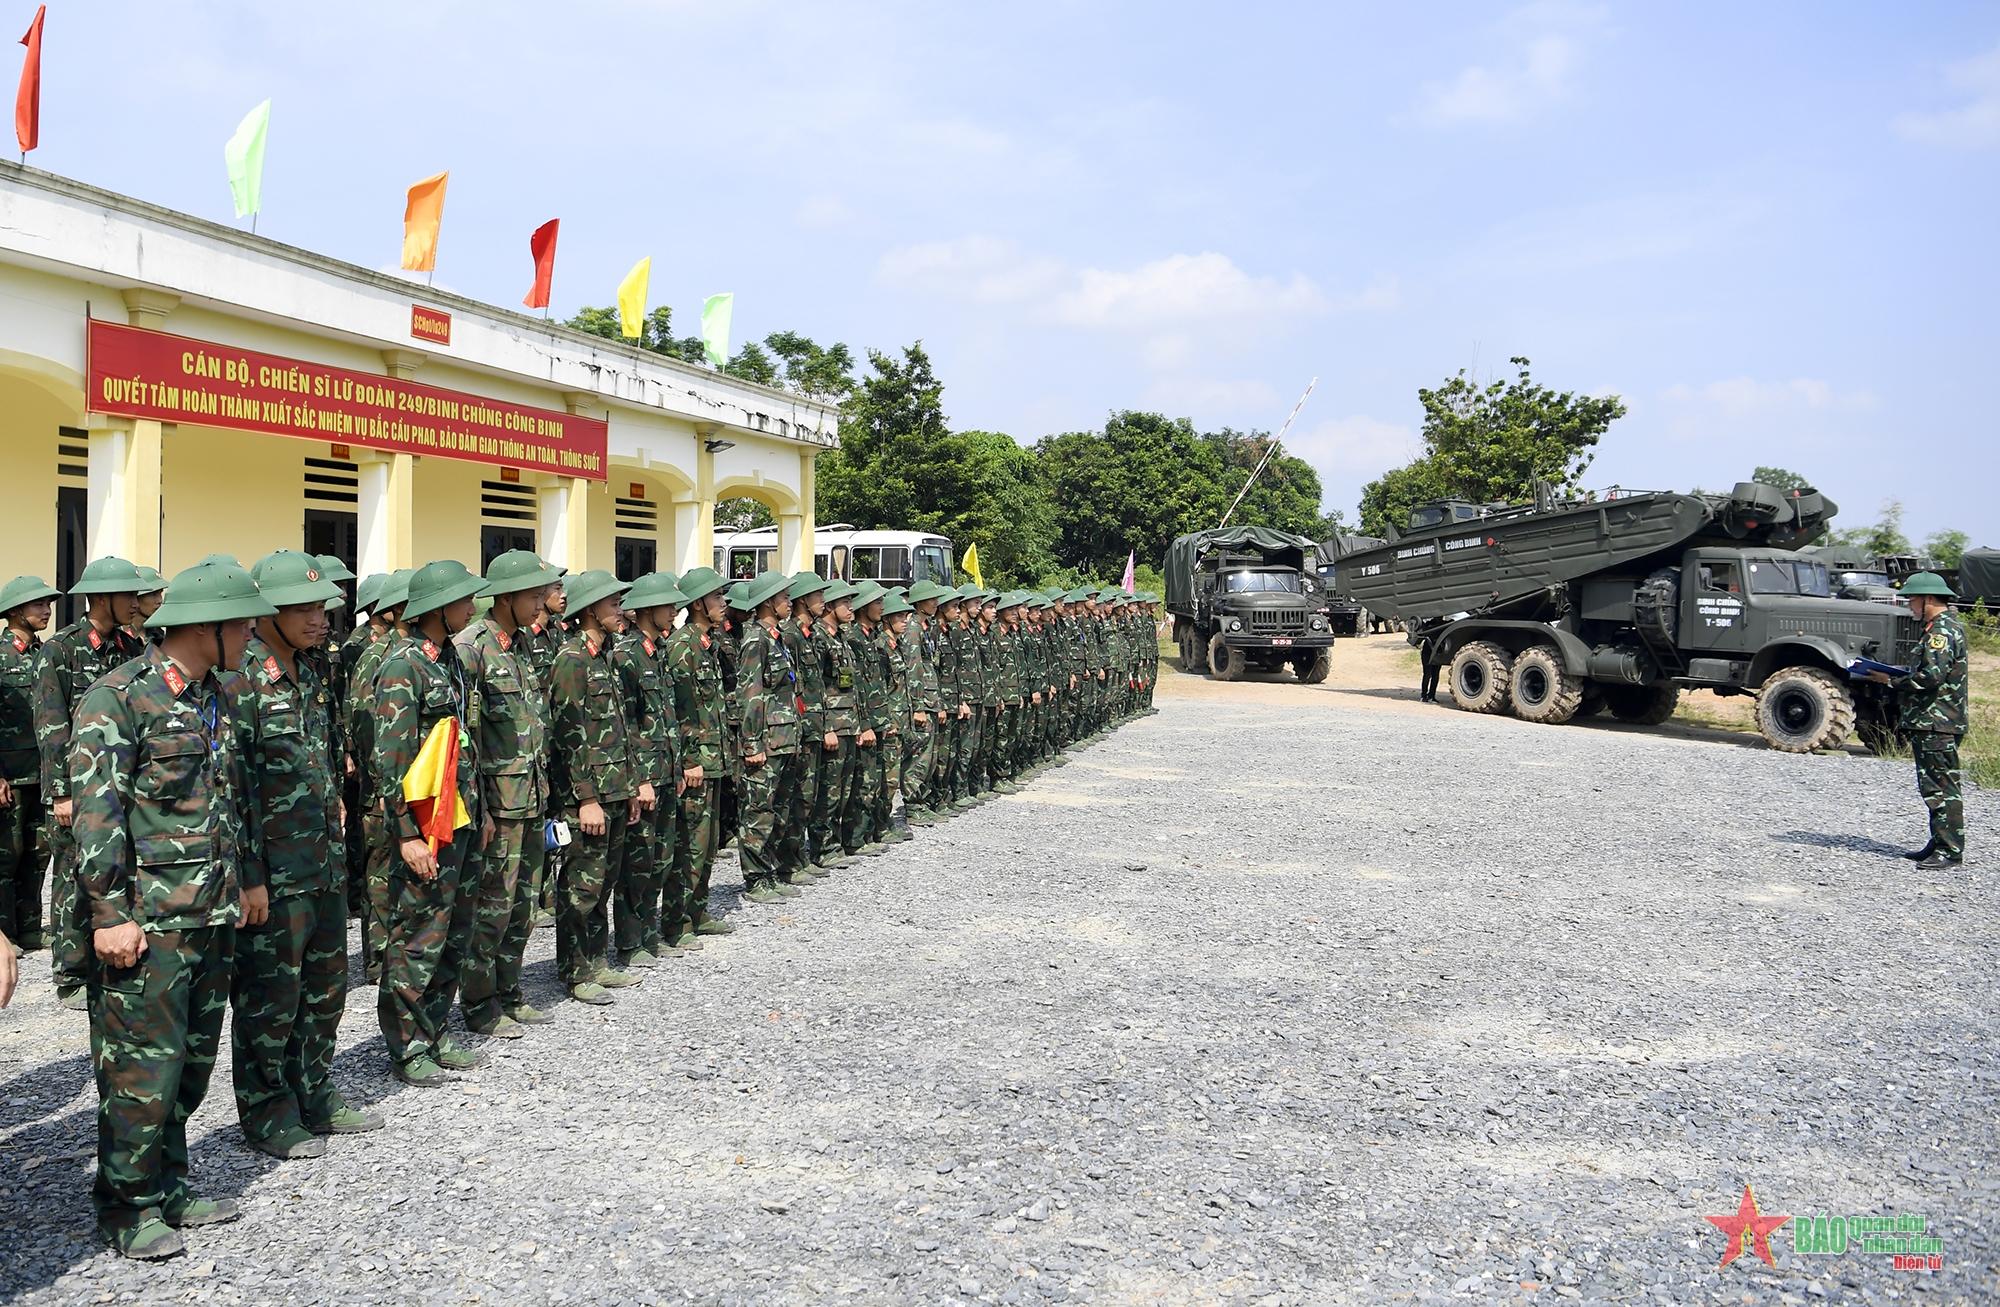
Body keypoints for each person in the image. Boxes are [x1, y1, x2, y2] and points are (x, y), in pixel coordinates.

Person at [71, 559, 275, 1259]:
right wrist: (108, 912)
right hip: (148, 922)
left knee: (189, 1065)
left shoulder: (218, 696)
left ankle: (171, 1183)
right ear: (205, 625)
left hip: (210, 913)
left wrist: (247, 879)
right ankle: (127, 1204)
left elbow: (232, 800)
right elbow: (98, 816)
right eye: (244, 622)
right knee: (139, 1071)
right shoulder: (118, 699)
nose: (254, 633)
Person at [231, 552, 381, 1160]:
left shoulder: (313, 672)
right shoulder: (239, 681)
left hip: (321, 860)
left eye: (322, 608)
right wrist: (248, 875)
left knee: (325, 987)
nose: (320, 619)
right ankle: (267, 1113)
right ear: (268, 611)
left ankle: (314, 1090)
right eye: (304, 609)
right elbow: (232, 789)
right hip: (274, 871)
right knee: (271, 997)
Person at [371, 560, 490, 1086]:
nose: (472, 607)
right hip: (424, 825)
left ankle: (435, 1030)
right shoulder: (404, 666)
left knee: (454, 932)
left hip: (459, 817)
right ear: (438, 607)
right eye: (464, 599)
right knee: (418, 934)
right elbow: (391, 759)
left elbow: (464, 744)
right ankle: (406, 1044)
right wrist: (406, 834)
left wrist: (479, 812)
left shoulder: (451, 661)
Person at [36, 557, 160, 1011]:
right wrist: (61, 793)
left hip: (122, 784)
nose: (136, 603)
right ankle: (70, 971)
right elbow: (51, 726)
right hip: (77, 784)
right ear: (103, 598)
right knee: (74, 875)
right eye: (128, 595)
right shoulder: (62, 651)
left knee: (116, 868)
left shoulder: (132, 647)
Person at [454, 550, 563, 1037]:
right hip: (497, 805)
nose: (543, 602)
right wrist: (478, 809)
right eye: (536, 594)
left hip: (530, 797)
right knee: (491, 908)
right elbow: (462, 738)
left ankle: (509, 990)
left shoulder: (519, 646)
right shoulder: (472, 647)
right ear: (509, 595)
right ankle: (479, 1005)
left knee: (523, 905)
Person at [548, 569, 645, 1004]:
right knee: (581, 887)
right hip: (588, 796)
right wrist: (585, 798)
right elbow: (569, 737)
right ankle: (574, 969)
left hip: (615, 789)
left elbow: (620, 730)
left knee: (603, 881)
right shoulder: (572, 660)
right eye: (612, 604)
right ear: (590, 610)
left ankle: (597, 960)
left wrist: (629, 787)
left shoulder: (605, 656)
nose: (620, 611)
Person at [612, 571, 687, 964]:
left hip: (665, 772)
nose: (675, 611)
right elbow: (625, 725)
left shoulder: (657, 652)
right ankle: (628, 942)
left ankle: (647, 932)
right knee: (637, 864)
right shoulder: (626, 655)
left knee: (662, 858)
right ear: (646, 609)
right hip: (645, 777)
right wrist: (638, 778)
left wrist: (675, 768)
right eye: (668, 605)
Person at [1876, 573, 1969, 869]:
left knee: (1940, 787)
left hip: (1936, 722)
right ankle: (1940, 839)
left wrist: (1891, 681)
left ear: (1929, 599)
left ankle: (1950, 849)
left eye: (1913, 600)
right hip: (1934, 721)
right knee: (1936, 785)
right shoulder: (1941, 628)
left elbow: (1931, 677)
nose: (1910, 606)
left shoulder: (1941, 632)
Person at [664, 567, 737, 943]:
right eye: (717, 598)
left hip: (714, 760)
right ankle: (678, 922)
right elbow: (679, 712)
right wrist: (689, 759)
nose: (724, 604)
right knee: (690, 844)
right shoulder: (683, 648)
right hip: (696, 764)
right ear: (697, 604)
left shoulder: (707, 644)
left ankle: (698, 909)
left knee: (707, 844)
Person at [348, 568, 412, 981]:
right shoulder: (376, 655)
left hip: (409, 785)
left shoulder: (413, 651)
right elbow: (363, 723)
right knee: (381, 873)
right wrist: (381, 784)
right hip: (381, 788)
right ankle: (378, 959)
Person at [734, 571, 807, 903]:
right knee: (759, 809)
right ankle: (756, 877)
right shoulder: (755, 640)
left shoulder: (776, 637)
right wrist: (752, 744)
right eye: (784, 598)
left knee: (780, 808)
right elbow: (750, 695)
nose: (789, 603)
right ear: (768, 602)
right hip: (766, 740)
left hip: (785, 736)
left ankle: (773, 870)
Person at [1, 575, 59, 953]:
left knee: (39, 853)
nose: (47, 610)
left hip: (41, 773)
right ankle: (3, 935)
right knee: (6, 856)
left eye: (48, 603)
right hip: (9, 775)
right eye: (38, 604)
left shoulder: (46, 654)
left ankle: (28, 928)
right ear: (16, 610)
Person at [781, 572, 835, 872]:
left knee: (808, 796)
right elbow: (794, 688)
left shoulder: (810, 634)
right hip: (799, 728)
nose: (822, 601)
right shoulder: (789, 635)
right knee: (797, 797)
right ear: (804, 600)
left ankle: (800, 856)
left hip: (814, 725)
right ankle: (790, 860)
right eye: (818, 596)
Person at [813, 580, 864, 863]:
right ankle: (822, 847)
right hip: (832, 725)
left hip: (847, 723)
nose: (851, 607)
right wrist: (826, 727)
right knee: (829, 792)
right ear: (830, 606)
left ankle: (835, 844)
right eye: (845, 602)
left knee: (843, 790)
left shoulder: (840, 638)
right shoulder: (820, 638)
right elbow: (816, 687)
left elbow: (848, 686)